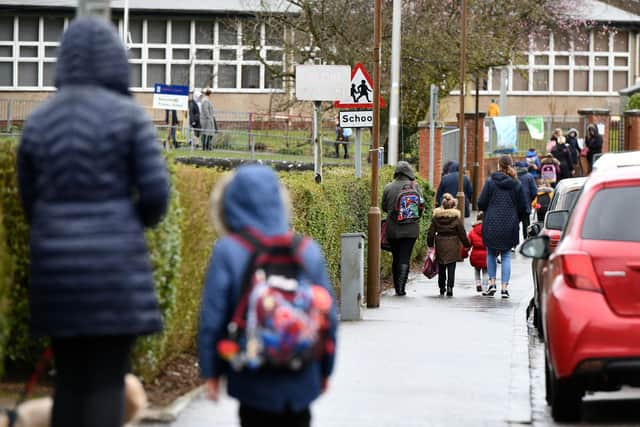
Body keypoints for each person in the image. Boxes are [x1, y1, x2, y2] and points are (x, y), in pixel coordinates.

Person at [16, 17, 170, 427]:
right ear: (115, 61)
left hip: (57, 276)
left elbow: (30, 203)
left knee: (69, 380)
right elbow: (156, 197)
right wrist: (126, 225)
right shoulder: (130, 118)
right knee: (106, 380)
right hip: (115, 275)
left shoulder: (39, 122)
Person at [198, 165, 337, 427]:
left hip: (253, 380)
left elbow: (212, 319)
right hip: (302, 376)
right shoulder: (307, 250)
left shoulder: (228, 251)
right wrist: (325, 369)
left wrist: (212, 371)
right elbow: (327, 316)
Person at [477, 155, 528, 299]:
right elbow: (524, 206)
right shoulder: (516, 184)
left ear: (499, 166)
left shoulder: (490, 182)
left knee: (491, 253)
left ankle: (492, 284)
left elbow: (481, 203)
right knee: (506, 256)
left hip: (492, 222)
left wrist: (487, 208)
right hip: (509, 223)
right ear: (511, 166)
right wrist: (516, 216)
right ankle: (504, 288)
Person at [381, 161, 424, 296]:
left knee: (396, 257)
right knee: (405, 257)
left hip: (393, 229)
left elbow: (383, 207)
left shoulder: (389, 187)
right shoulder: (415, 187)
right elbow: (421, 206)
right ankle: (401, 288)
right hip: (411, 229)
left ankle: (396, 286)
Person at [427, 193, 471, 297]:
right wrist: (467, 244)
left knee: (441, 266)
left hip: (440, 243)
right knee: (451, 266)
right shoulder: (456, 219)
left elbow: (431, 233)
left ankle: (442, 287)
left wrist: (430, 244)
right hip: (453, 244)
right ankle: (450, 287)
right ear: (453, 206)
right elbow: (462, 233)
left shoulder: (436, 218)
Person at [515, 161, 538, 241]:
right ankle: (526, 242)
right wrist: (529, 200)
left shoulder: (512, 176)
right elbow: (534, 192)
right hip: (526, 204)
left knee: (514, 226)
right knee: (526, 225)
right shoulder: (529, 176)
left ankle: (515, 243)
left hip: (514, 205)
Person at [467, 211, 488, 293]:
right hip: (486, 254)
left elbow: (468, 244)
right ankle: (485, 287)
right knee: (486, 271)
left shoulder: (472, 232)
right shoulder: (489, 230)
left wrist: (464, 253)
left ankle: (478, 284)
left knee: (477, 270)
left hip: (475, 254)